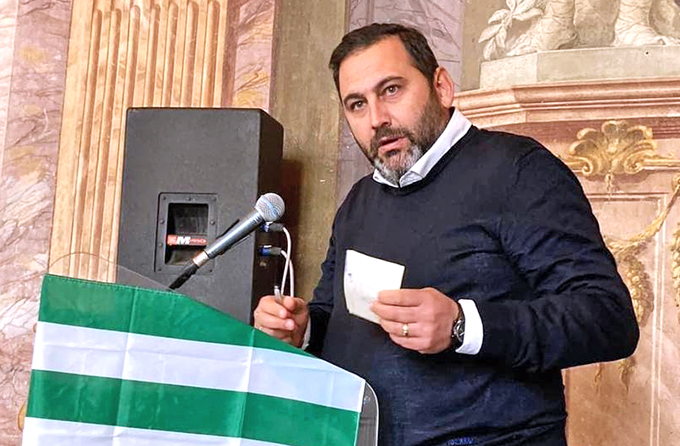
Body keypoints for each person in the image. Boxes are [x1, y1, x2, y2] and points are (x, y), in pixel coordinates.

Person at [253, 23, 639, 446]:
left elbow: (608, 318)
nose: (377, 119)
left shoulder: (518, 170)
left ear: (441, 86)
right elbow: (335, 314)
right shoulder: (360, 200)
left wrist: (461, 325)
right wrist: (303, 329)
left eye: (391, 90)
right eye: (357, 104)